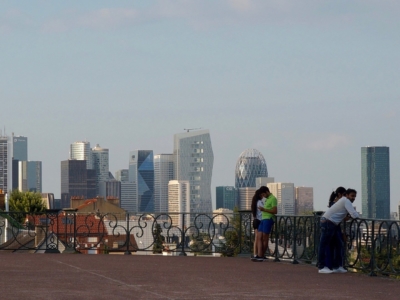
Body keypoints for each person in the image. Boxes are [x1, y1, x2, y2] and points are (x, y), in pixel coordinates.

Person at [318, 188, 360, 274]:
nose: (353, 198)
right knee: (324, 245)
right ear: (347, 195)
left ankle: (336, 266)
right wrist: (358, 216)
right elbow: (354, 214)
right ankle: (322, 267)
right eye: (352, 196)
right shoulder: (346, 201)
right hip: (328, 223)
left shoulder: (343, 201)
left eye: (355, 196)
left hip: (330, 223)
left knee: (338, 244)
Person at [252, 187, 277, 262]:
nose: (263, 196)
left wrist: (264, 209)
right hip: (263, 219)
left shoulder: (273, 199)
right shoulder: (266, 199)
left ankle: (261, 255)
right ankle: (259, 255)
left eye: (263, 194)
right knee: (259, 237)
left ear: (267, 192)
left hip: (268, 219)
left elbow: (275, 211)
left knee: (265, 238)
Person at [328, 187, 347, 271]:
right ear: (340, 194)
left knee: (333, 246)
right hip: (335, 227)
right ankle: (338, 265)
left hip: (332, 226)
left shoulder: (333, 203)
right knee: (339, 246)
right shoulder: (336, 204)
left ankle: (333, 265)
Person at [250, 186, 268, 259]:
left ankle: (255, 253)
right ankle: (257, 254)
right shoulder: (260, 202)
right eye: (261, 195)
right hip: (259, 221)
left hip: (255, 220)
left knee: (256, 238)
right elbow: (264, 210)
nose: (262, 196)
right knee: (258, 238)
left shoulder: (254, 202)